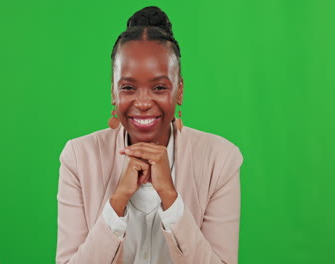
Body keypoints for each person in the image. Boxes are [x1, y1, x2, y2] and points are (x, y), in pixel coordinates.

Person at [56, 6, 244, 264]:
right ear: (113, 92)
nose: (143, 102)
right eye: (128, 87)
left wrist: (170, 197)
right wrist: (117, 201)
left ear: (179, 91)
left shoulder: (220, 160)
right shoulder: (78, 158)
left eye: (158, 87)